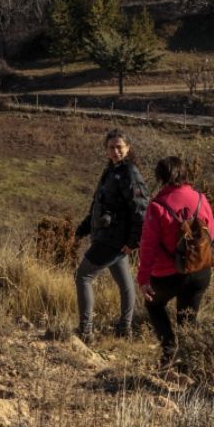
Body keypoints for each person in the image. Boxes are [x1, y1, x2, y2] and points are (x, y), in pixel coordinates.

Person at [136, 156, 214, 366]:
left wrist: (143, 278)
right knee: (187, 319)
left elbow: (148, 246)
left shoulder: (157, 205)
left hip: (167, 275)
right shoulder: (201, 198)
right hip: (199, 271)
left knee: (154, 305)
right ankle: (189, 364)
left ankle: (169, 350)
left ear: (161, 177)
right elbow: (212, 235)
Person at [74, 128, 149, 342]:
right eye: (111, 147)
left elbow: (141, 208)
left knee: (83, 277)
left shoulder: (129, 172)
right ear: (106, 150)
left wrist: (133, 241)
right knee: (125, 283)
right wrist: (82, 229)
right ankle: (125, 329)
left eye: (119, 147)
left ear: (128, 148)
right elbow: (98, 206)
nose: (115, 151)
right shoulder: (111, 171)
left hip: (113, 239)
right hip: (108, 236)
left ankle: (85, 331)